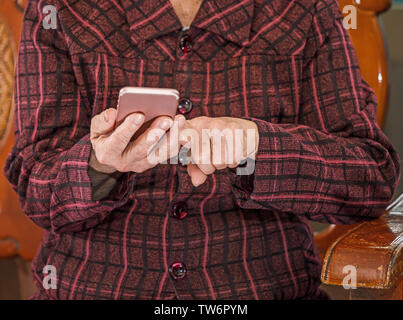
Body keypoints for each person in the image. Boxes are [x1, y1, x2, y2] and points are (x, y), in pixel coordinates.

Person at [4, 0, 400, 300]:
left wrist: (261, 147)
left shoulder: (304, 11)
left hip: (262, 287)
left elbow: (369, 178)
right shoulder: (59, 10)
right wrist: (99, 165)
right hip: (94, 287)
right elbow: (37, 191)